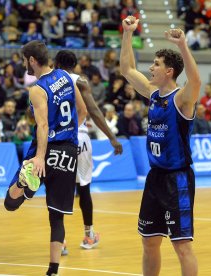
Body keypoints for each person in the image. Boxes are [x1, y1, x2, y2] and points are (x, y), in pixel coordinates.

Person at [120, 16, 201, 275]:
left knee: (182, 246)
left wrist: (183, 47)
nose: (150, 69)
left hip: (177, 180)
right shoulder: (153, 94)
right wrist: (127, 33)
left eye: (155, 65)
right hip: (155, 179)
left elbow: (196, 82)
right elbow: (126, 70)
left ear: (169, 71)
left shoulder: (182, 99)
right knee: (149, 241)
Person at [3, 40, 87, 276]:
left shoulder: (37, 89)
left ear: (31, 60)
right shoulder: (66, 76)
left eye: (23, 60)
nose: (23, 64)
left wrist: (40, 157)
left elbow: (41, 125)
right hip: (69, 151)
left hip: (47, 148)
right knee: (56, 216)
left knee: (10, 204)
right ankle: (53, 270)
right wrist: (69, 131)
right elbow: (84, 111)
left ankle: (23, 182)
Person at [54, 50, 123, 253]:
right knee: (83, 189)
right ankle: (89, 236)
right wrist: (111, 137)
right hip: (81, 139)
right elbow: (93, 110)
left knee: (59, 191)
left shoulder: (48, 82)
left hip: (58, 140)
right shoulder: (80, 81)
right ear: (75, 66)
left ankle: (61, 241)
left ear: (56, 64)